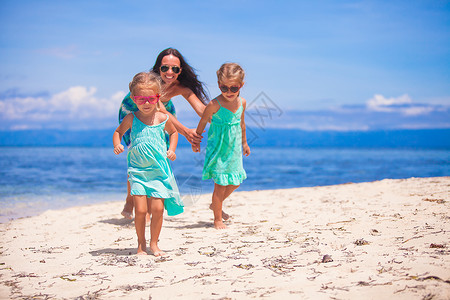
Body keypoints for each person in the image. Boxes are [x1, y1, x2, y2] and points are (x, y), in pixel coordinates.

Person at [119, 48, 209, 220]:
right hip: (134, 109)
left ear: (180, 71)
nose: (169, 72)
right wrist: (186, 132)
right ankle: (133, 202)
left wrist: (226, 114)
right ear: (157, 68)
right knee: (139, 154)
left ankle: (144, 202)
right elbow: (159, 108)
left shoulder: (182, 87)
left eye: (174, 69)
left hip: (162, 112)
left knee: (157, 154)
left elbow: (202, 111)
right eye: (165, 68)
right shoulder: (152, 82)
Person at [113, 71, 183, 256]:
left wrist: (172, 149)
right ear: (133, 99)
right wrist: (118, 144)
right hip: (137, 171)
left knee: (158, 209)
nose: (146, 103)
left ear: (158, 97)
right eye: (140, 99)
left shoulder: (162, 118)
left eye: (151, 99)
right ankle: (140, 245)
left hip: (158, 172)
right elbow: (118, 132)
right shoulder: (131, 118)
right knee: (142, 210)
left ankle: (154, 243)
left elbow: (174, 133)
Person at [192, 63, 251, 229]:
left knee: (236, 181)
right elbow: (203, 122)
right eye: (224, 88)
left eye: (234, 88)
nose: (229, 92)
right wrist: (196, 141)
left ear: (241, 86)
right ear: (219, 85)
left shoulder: (242, 103)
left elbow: (242, 124)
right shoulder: (214, 104)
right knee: (220, 185)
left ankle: (215, 204)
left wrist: (244, 143)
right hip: (218, 150)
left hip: (234, 150)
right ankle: (217, 218)